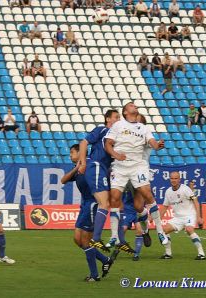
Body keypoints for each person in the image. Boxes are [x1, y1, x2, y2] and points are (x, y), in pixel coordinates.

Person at [104, 102, 169, 248]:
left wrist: (158, 145)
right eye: (132, 105)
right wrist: (116, 154)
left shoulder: (144, 129)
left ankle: (158, 231)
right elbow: (108, 143)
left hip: (138, 167)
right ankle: (114, 235)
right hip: (120, 166)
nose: (135, 106)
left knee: (141, 203)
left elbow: (152, 143)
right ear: (125, 112)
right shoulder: (119, 125)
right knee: (115, 197)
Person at [61, 144, 114, 282]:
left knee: (85, 241)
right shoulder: (79, 168)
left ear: (80, 152)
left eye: (72, 152)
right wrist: (76, 169)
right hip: (84, 205)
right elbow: (63, 180)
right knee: (78, 240)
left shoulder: (91, 165)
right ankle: (105, 260)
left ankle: (94, 275)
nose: (70, 155)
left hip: (93, 204)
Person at [78, 110, 125, 252]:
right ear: (108, 119)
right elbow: (83, 142)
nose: (118, 120)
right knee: (104, 203)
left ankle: (119, 239)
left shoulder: (116, 136)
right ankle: (96, 238)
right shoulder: (103, 129)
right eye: (116, 117)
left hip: (103, 170)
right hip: (96, 165)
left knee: (114, 203)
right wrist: (83, 162)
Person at [159, 172, 206, 260]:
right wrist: (158, 219)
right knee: (164, 230)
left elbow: (195, 202)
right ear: (170, 179)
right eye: (172, 178)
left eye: (176, 178)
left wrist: (199, 217)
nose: (173, 180)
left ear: (179, 179)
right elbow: (165, 207)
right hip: (177, 217)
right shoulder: (168, 191)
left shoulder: (185, 189)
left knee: (189, 229)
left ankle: (201, 254)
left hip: (189, 215)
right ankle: (168, 253)